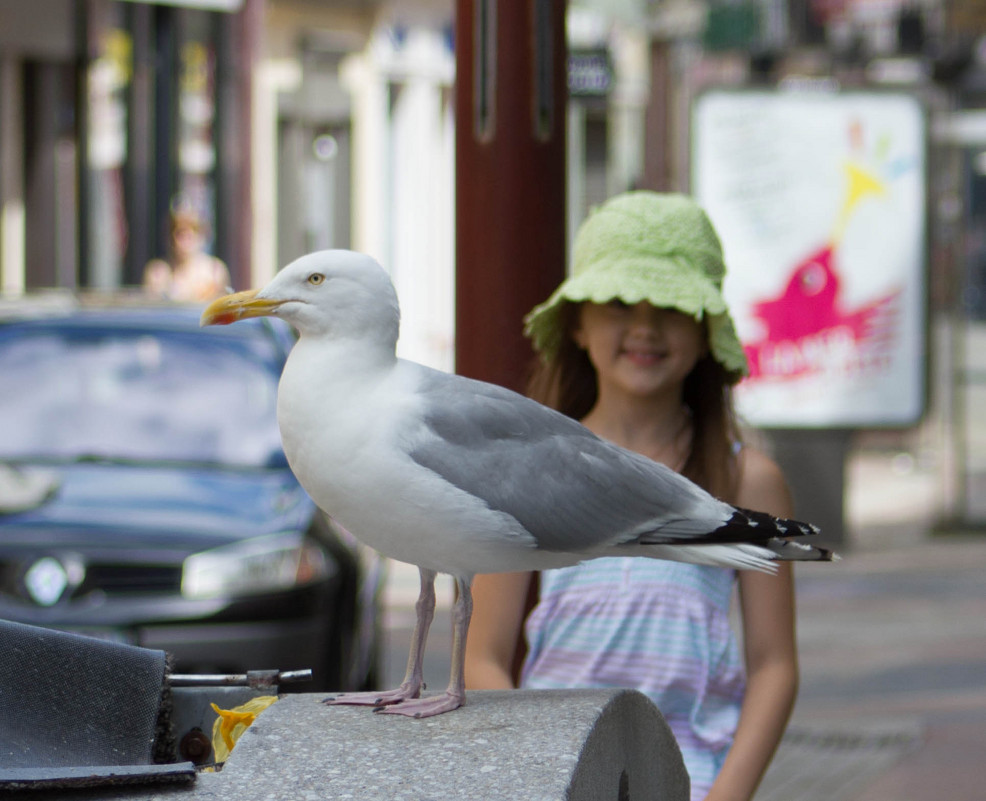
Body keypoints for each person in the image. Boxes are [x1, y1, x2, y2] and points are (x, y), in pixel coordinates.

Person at [464, 192, 798, 801]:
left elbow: (774, 665)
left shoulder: (747, 482)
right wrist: (536, 770)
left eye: (670, 306)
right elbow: (483, 654)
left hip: (696, 782)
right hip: (557, 782)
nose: (644, 326)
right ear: (579, 325)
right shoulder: (525, 468)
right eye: (619, 303)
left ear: (705, 331)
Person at [143, 208, 230, 302]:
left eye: (191, 234)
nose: (185, 242)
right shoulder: (158, 272)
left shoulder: (214, 271)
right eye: (180, 234)